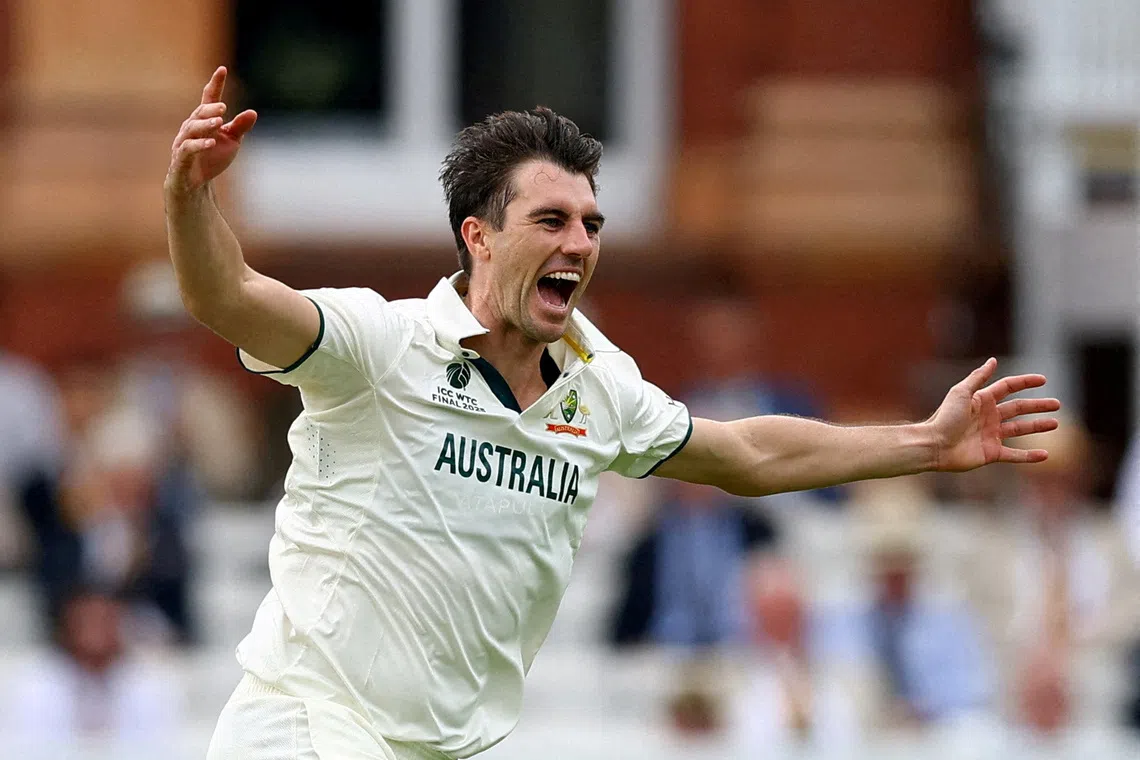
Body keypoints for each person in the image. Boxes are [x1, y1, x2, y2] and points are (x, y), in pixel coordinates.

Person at [165, 66, 1061, 760]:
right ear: (479, 236)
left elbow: (744, 452)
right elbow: (230, 297)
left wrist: (923, 442)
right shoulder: (379, 344)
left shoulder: (600, 385)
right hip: (305, 728)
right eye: (551, 220)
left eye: (592, 224)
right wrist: (190, 195)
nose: (580, 244)